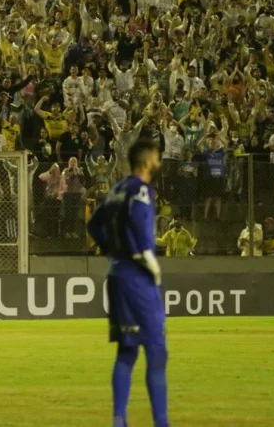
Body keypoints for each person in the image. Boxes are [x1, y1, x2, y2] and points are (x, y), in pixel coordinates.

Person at [88, 137, 168, 427]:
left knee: (127, 351)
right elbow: (138, 222)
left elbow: (94, 225)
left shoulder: (117, 190)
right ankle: (162, 422)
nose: (159, 163)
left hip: (116, 273)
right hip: (136, 276)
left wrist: (113, 247)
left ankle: (119, 420)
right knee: (157, 351)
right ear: (147, 161)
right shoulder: (141, 191)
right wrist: (145, 256)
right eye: (157, 157)